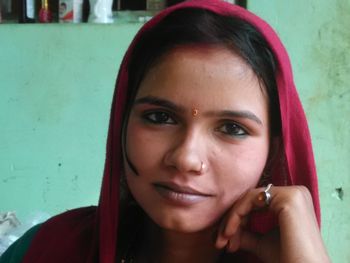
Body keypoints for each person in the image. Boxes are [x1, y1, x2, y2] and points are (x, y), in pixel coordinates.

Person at [0, 0, 330, 262]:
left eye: (232, 128)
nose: (186, 158)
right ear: (122, 121)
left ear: (272, 151)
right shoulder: (47, 250)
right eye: (160, 117)